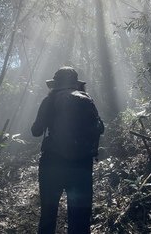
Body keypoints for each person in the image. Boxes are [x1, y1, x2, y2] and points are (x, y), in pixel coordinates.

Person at [31, 67, 105, 234]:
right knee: (79, 218)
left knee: (48, 216)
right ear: (76, 84)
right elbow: (100, 127)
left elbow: (36, 131)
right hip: (81, 166)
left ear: (55, 84)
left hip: (52, 164)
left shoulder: (48, 101)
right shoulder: (86, 99)